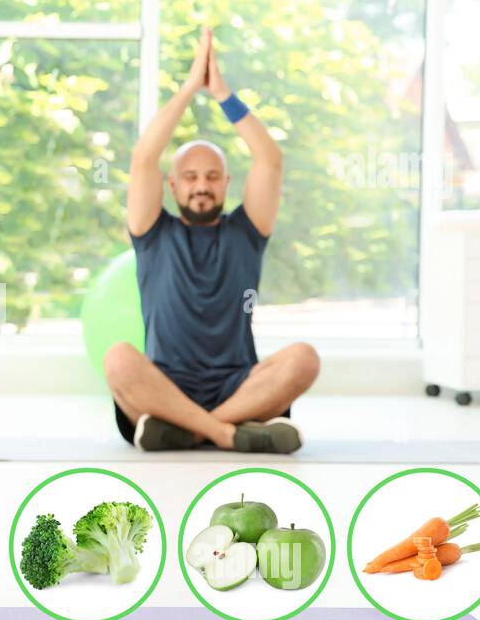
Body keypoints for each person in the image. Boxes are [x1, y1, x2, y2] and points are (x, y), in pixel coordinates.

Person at [105, 29, 320, 453]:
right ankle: (228, 433)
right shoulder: (152, 232)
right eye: (190, 177)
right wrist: (189, 88)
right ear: (172, 185)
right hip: (164, 386)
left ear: (226, 183)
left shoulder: (247, 231)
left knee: (303, 358)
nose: (200, 186)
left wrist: (222, 93)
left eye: (210, 177)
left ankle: (190, 429)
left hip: (239, 387)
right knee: (117, 358)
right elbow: (143, 157)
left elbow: (270, 159)